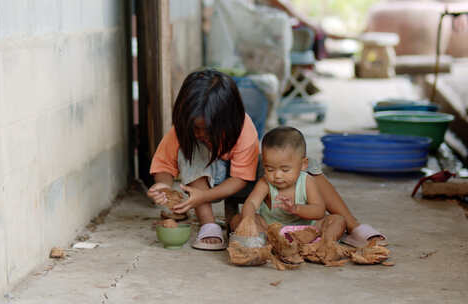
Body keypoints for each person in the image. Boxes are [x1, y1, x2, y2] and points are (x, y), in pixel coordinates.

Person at [147, 69, 259, 251]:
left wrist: (204, 196)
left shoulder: (244, 128)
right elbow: (164, 164)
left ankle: (239, 220)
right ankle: (209, 225)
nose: (201, 134)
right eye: (195, 128)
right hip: (201, 182)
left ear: (228, 119)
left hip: (237, 183)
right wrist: (163, 187)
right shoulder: (184, 130)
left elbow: (241, 178)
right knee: (190, 149)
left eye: (208, 129)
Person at [231, 126, 384, 247]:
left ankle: (326, 244)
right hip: (273, 231)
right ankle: (271, 243)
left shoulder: (307, 181)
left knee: (337, 220)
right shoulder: (265, 183)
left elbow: (318, 210)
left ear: (303, 164)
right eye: (269, 169)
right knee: (237, 219)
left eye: (285, 170)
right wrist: (249, 219)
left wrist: (296, 209)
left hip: (307, 231)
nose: (277, 175)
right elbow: (251, 203)